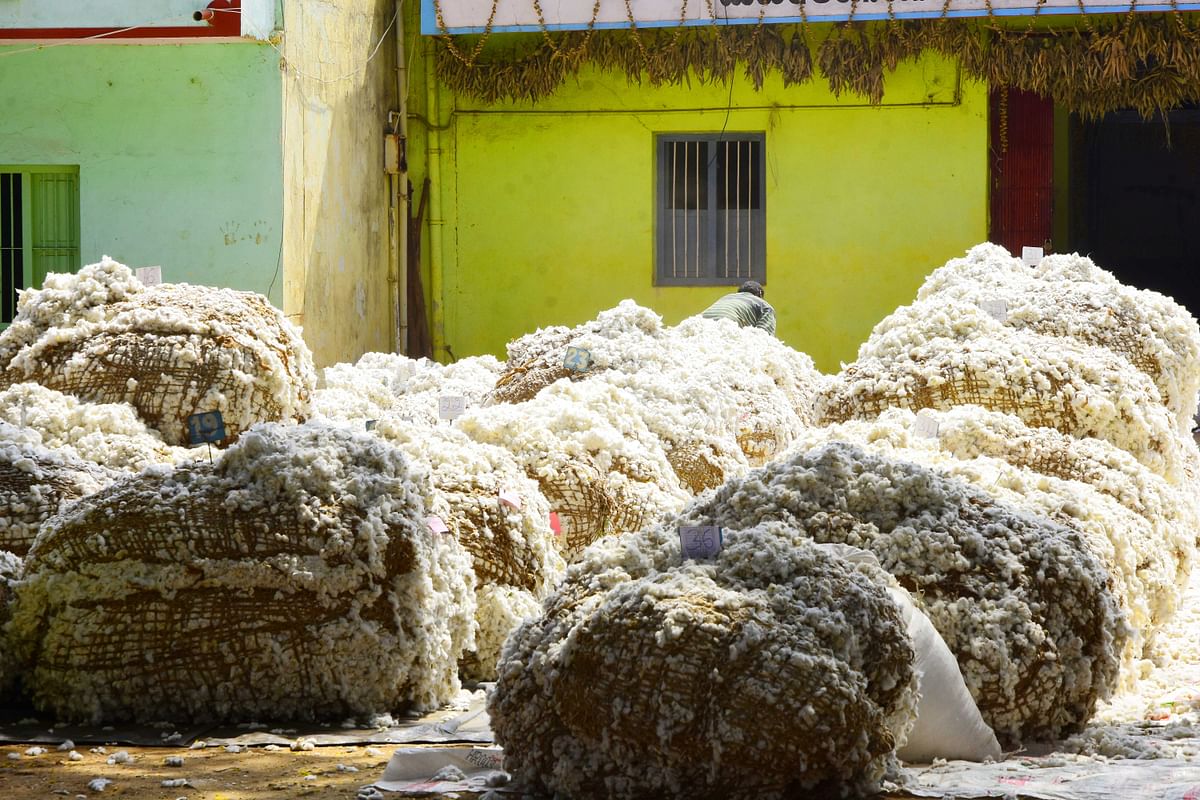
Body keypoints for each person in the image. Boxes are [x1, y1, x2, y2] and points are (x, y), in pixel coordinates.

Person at [699, 280, 776, 335]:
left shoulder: (727, 297)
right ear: (760, 293)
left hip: (698, 324)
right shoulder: (764, 306)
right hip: (726, 325)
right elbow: (763, 337)